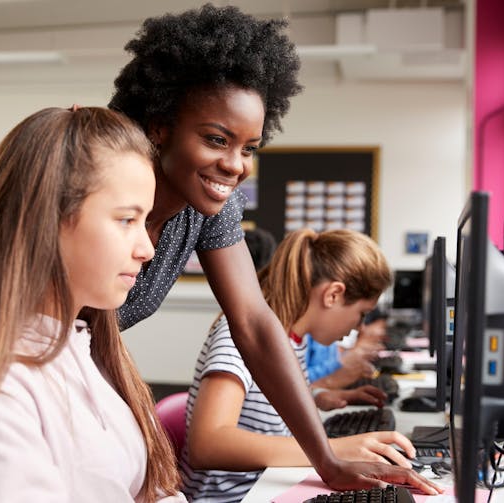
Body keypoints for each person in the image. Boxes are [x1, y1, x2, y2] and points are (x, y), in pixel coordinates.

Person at [108, 3, 432, 490]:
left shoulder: (208, 209)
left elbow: (257, 324)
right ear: (158, 125)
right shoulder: (103, 193)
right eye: (217, 139)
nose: (237, 165)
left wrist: (326, 458)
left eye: (249, 147)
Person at [0, 107, 185, 502]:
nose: (147, 249)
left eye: (145, 222)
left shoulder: (90, 352)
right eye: (127, 220)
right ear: (48, 220)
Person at [179, 229, 442, 501]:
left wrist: (318, 395)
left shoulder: (294, 339)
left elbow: (263, 403)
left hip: (269, 487)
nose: (360, 326)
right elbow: (207, 444)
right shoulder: (239, 339)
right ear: (333, 295)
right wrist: (331, 450)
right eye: (361, 313)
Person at [307, 308, 388, 390]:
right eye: (361, 314)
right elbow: (302, 382)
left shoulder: (326, 335)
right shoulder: (313, 333)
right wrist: (342, 362)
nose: (361, 327)